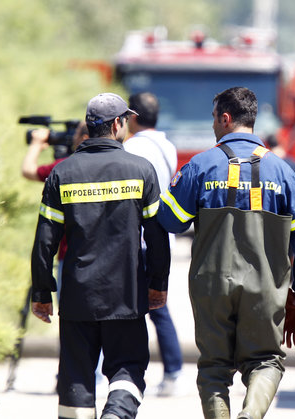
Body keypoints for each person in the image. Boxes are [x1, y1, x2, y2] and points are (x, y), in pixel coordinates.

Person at [157, 87, 295, 419]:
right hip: (265, 288)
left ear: (226, 118)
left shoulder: (201, 165)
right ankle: (250, 416)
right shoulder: (284, 172)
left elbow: (170, 220)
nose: (214, 125)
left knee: (214, 367)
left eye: (215, 118)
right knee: (266, 360)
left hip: (211, 286)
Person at [30, 93, 171, 419]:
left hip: (78, 297)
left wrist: (41, 291)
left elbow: (44, 242)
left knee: (76, 378)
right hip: (126, 296)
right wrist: (157, 283)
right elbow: (157, 236)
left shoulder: (62, 174)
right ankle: (116, 413)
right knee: (128, 368)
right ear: (119, 124)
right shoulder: (141, 170)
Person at [124, 92, 184, 397]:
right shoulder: (167, 145)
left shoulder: (132, 147)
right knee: (159, 307)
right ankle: (173, 371)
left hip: (139, 238)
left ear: (132, 116)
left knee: (135, 310)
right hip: (163, 237)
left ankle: (132, 373)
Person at [22, 122, 89, 299]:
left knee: (71, 315)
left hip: (70, 257)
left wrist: (36, 144)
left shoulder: (63, 167)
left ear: (83, 138)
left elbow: (28, 170)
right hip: (108, 258)